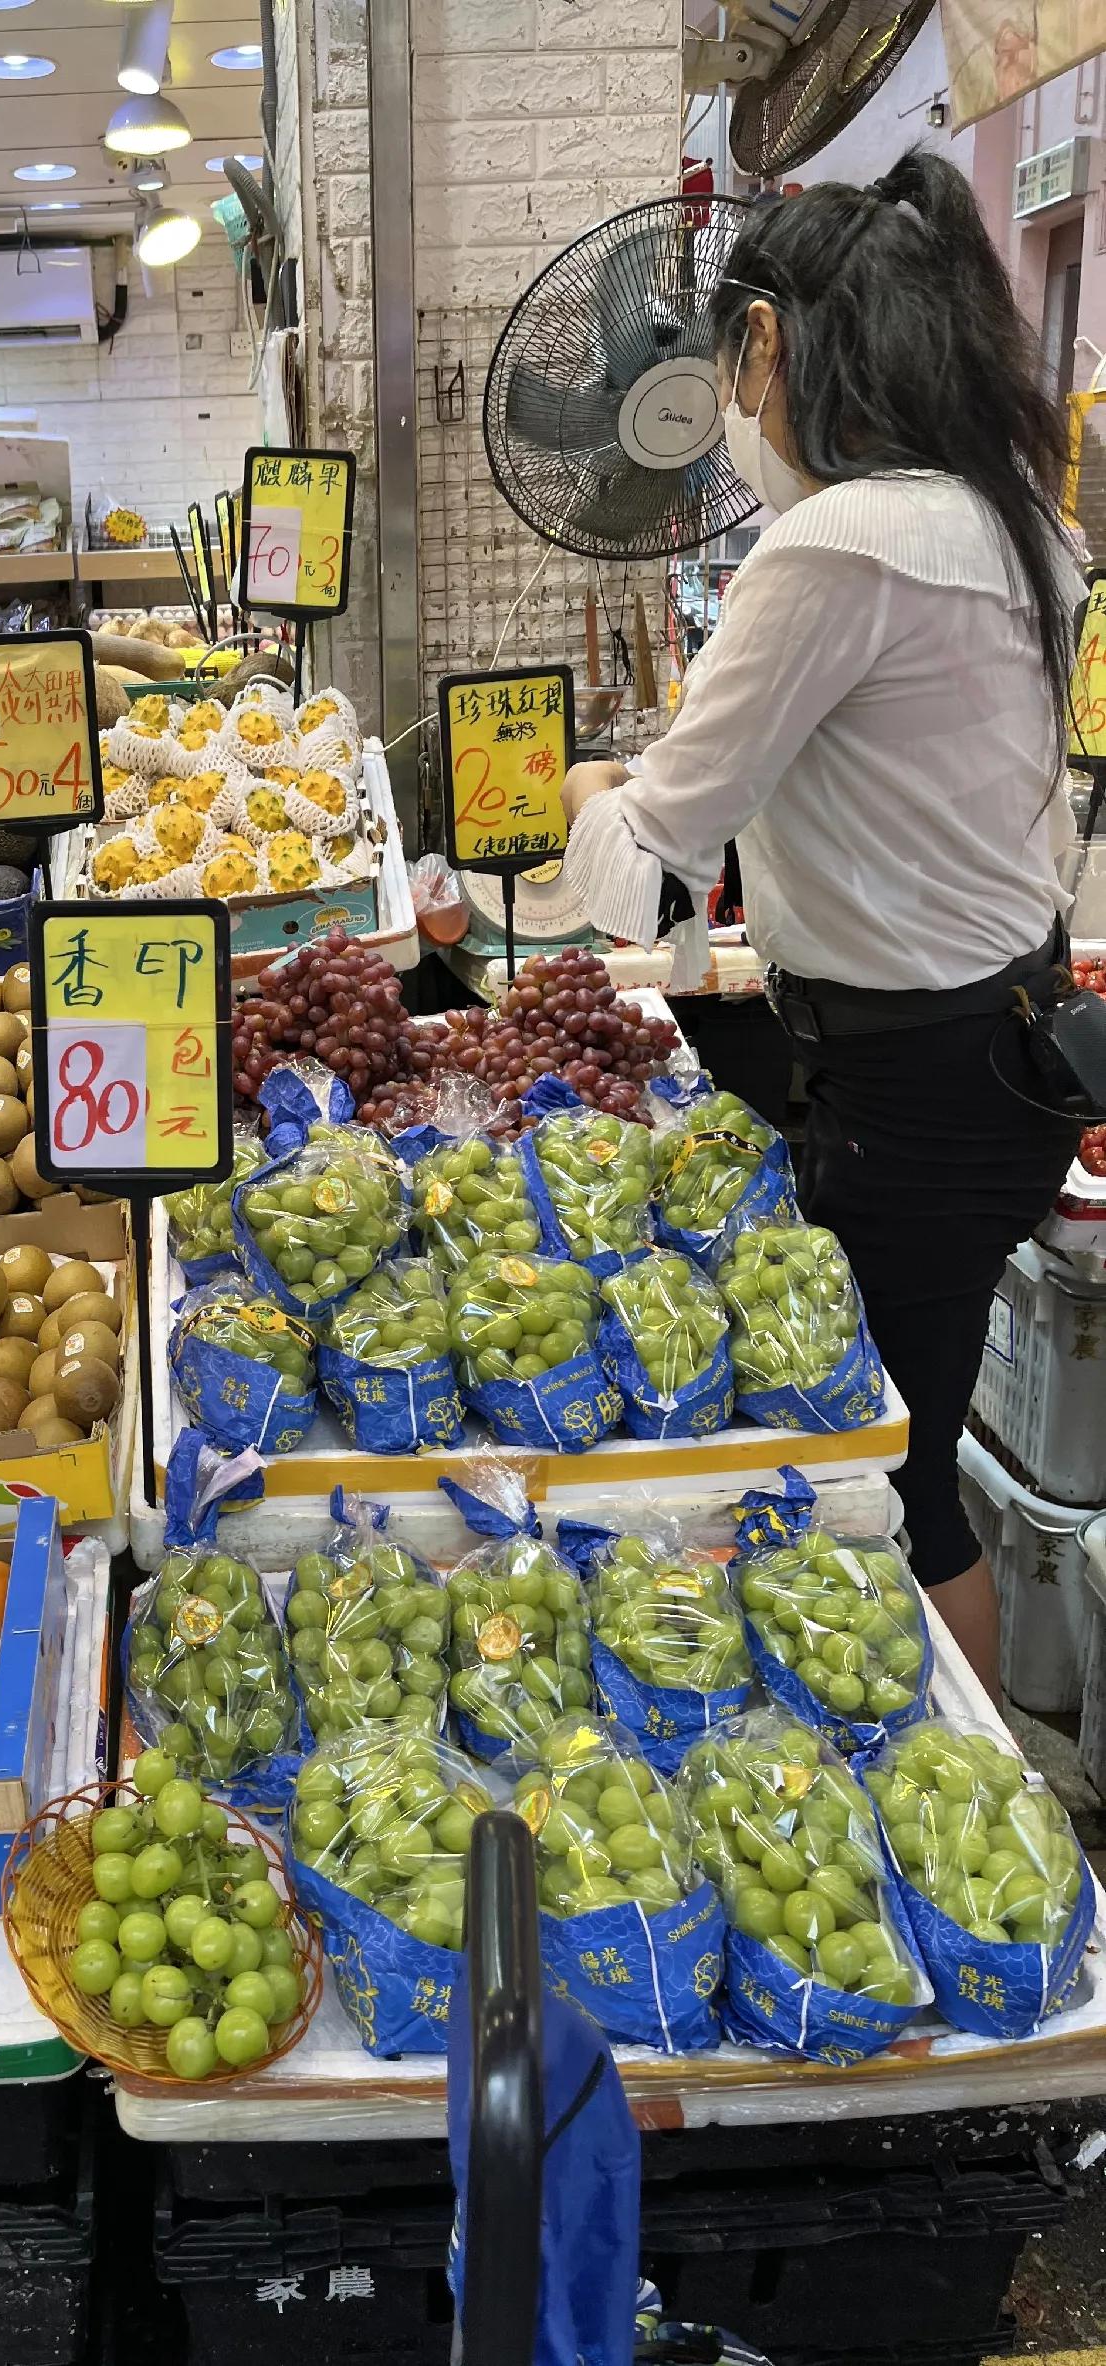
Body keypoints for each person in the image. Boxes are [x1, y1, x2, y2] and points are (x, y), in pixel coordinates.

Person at [558, 149, 1083, 1698]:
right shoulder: (1005, 521)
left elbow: (649, 864)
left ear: (767, 345)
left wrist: (595, 782)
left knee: (889, 1473)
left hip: (913, 1089)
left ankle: (956, 1796)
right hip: (1001, 1055)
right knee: (907, 1435)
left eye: (724, 363)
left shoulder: (837, 544)